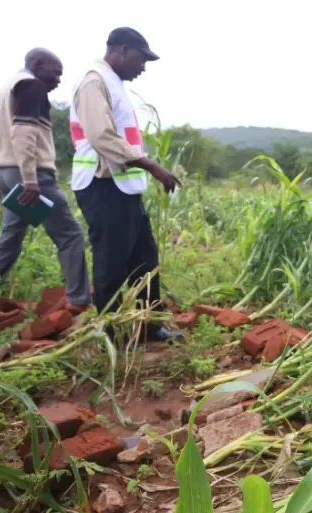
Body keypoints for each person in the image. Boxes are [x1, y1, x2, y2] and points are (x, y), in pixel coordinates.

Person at [69, 27, 182, 343]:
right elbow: (102, 136)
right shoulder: (94, 81)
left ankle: (147, 327)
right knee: (112, 263)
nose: (143, 67)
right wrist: (152, 166)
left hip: (123, 187)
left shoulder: (113, 82)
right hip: (101, 185)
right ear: (120, 50)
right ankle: (113, 335)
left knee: (145, 259)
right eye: (141, 59)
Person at [0, 49, 92, 324]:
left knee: (9, 239)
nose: (57, 80)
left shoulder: (1, 92)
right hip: (32, 178)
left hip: (7, 172)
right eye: (55, 73)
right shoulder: (31, 86)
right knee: (70, 235)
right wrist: (29, 178)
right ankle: (79, 302)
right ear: (37, 64)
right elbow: (24, 133)